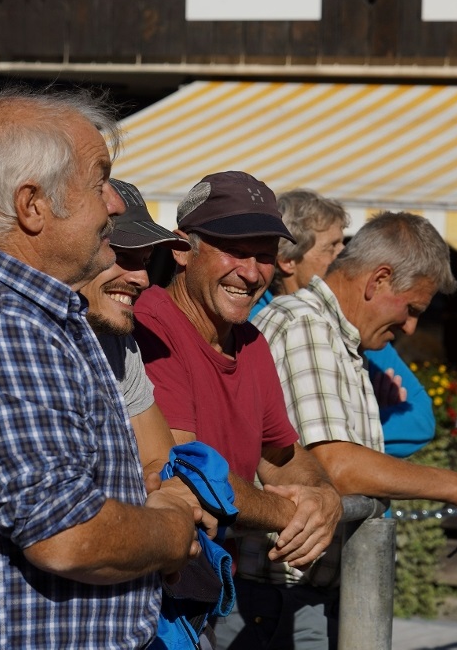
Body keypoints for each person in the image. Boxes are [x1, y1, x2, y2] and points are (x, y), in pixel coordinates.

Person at [0, 89, 201, 649]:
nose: (114, 203)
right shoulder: (2, 323)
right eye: (98, 180)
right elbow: (67, 534)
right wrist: (172, 528)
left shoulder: (30, 312)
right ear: (32, 205)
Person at [243, 211, 457, 649]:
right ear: (378, 280)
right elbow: (334, 465)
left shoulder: (335, 335)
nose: (410, 326)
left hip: (301, 595)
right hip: (282, 600)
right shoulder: (305, 326)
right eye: (412, 309)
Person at [132, 171, 344, 621]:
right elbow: (185, 477)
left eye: (264, 256)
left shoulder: (251, 341)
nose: (250, 273)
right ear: (180, 250)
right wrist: (291, 512)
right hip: (153, 598)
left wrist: (325, 497)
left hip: (205, 590)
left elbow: (282, 456)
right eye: (234, 251)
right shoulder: (152, 324)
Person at [251, 190, 436, 456]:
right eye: (331, 247)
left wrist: (350, 433)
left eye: (343, 243)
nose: (343, 255)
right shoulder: (252, 323)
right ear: (287, 260)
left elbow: (420, 419)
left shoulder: (359, 326)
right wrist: (349, 430)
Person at [80, 177, 191, 480]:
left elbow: (162, 464)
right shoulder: (17, 335)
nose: (142, 278)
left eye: (145, 260)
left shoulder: (119, 341)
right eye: (122, 254)